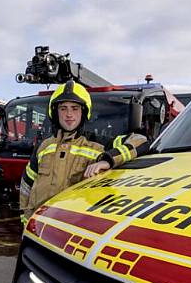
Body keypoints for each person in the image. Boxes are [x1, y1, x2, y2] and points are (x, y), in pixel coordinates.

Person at [19, 80, 149, 224]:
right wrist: (25, 221)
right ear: (55, 112)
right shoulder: (43, 146)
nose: (69, 114)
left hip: (70, 227)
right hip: (37, 226)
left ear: (84, 112)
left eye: (75, 108)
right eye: (63, 108)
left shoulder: (98, 144)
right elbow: (26, 186)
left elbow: (140, 140)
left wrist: (108, 160)